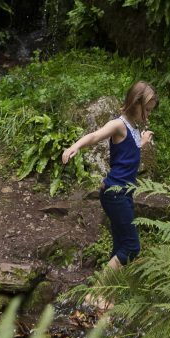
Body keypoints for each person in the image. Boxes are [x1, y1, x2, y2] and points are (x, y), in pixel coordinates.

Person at [61, 80, 157, 289]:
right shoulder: (118, 124)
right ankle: (95, 294)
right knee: (131, 247)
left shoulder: (133, 128)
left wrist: (143, 142)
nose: (147, 116)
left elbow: (128, 153)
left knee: (120, 246)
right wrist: (74, 146)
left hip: (123, 194)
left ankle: (106, 296)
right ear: (135, 103)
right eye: (146, 110)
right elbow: (95, 135)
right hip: (115, 194)